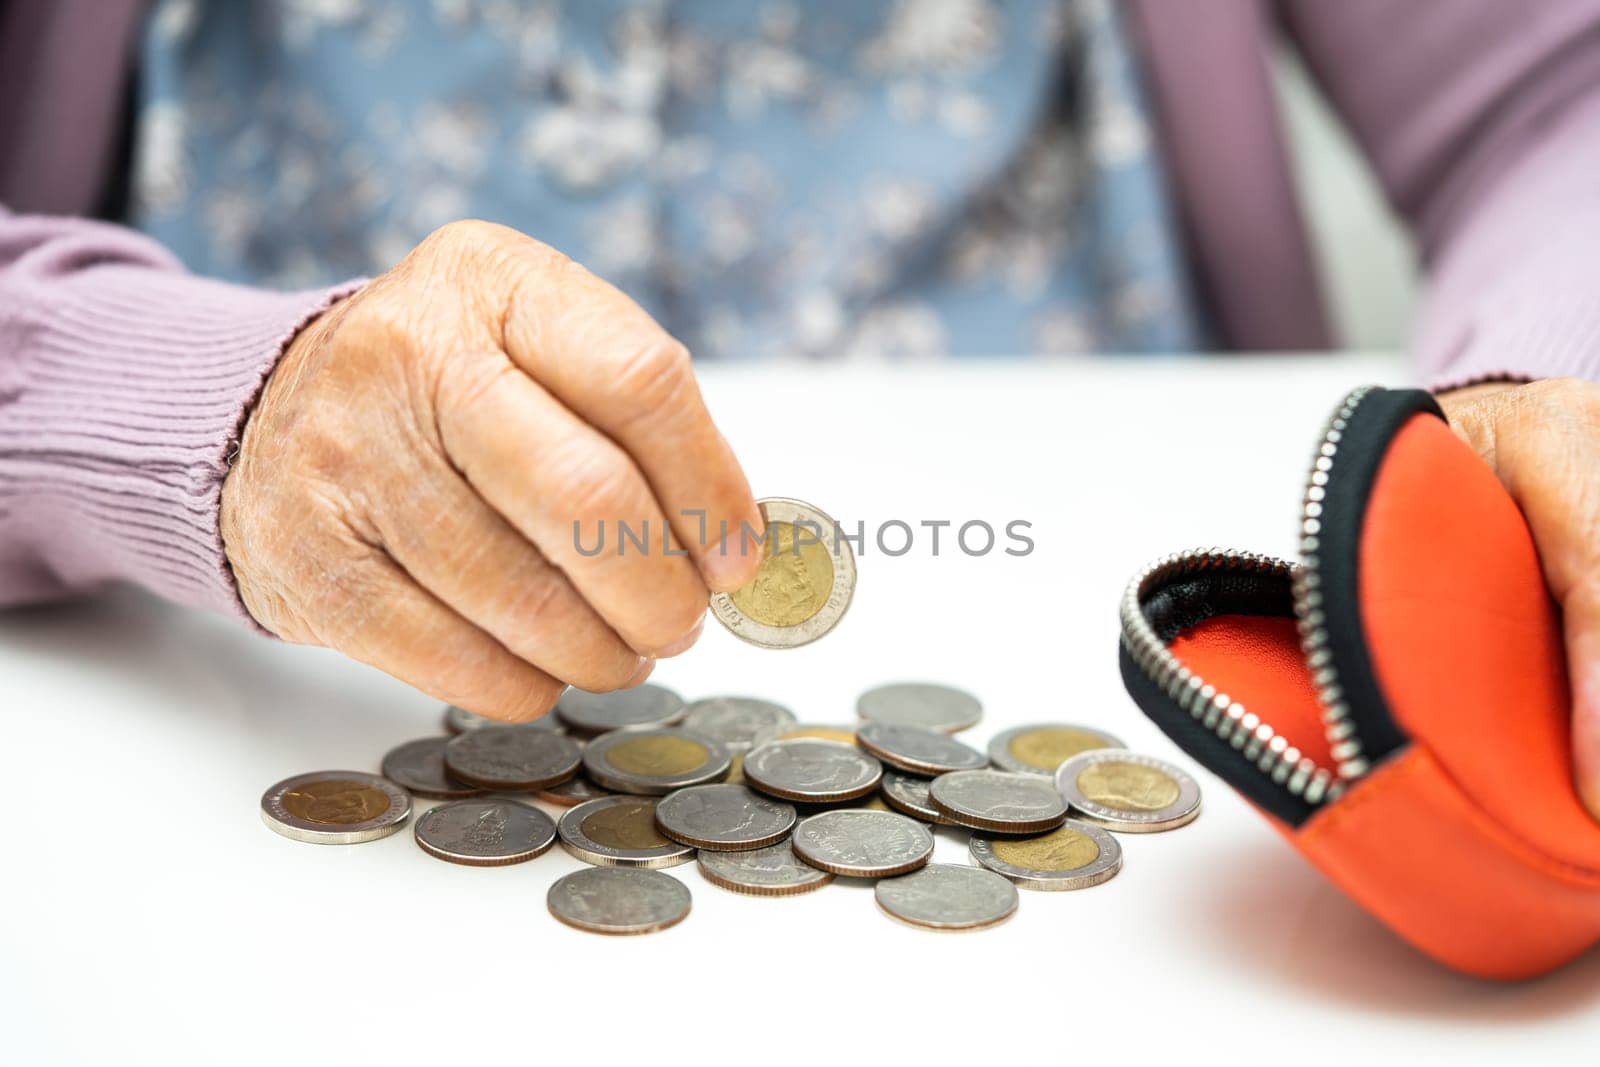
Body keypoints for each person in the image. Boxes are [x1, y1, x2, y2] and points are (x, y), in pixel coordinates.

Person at [2, 1, 1599, 817]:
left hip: (1140, 641)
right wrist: (201, 412)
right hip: (199, 709)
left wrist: (1553, 375)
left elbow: (1551, 94)